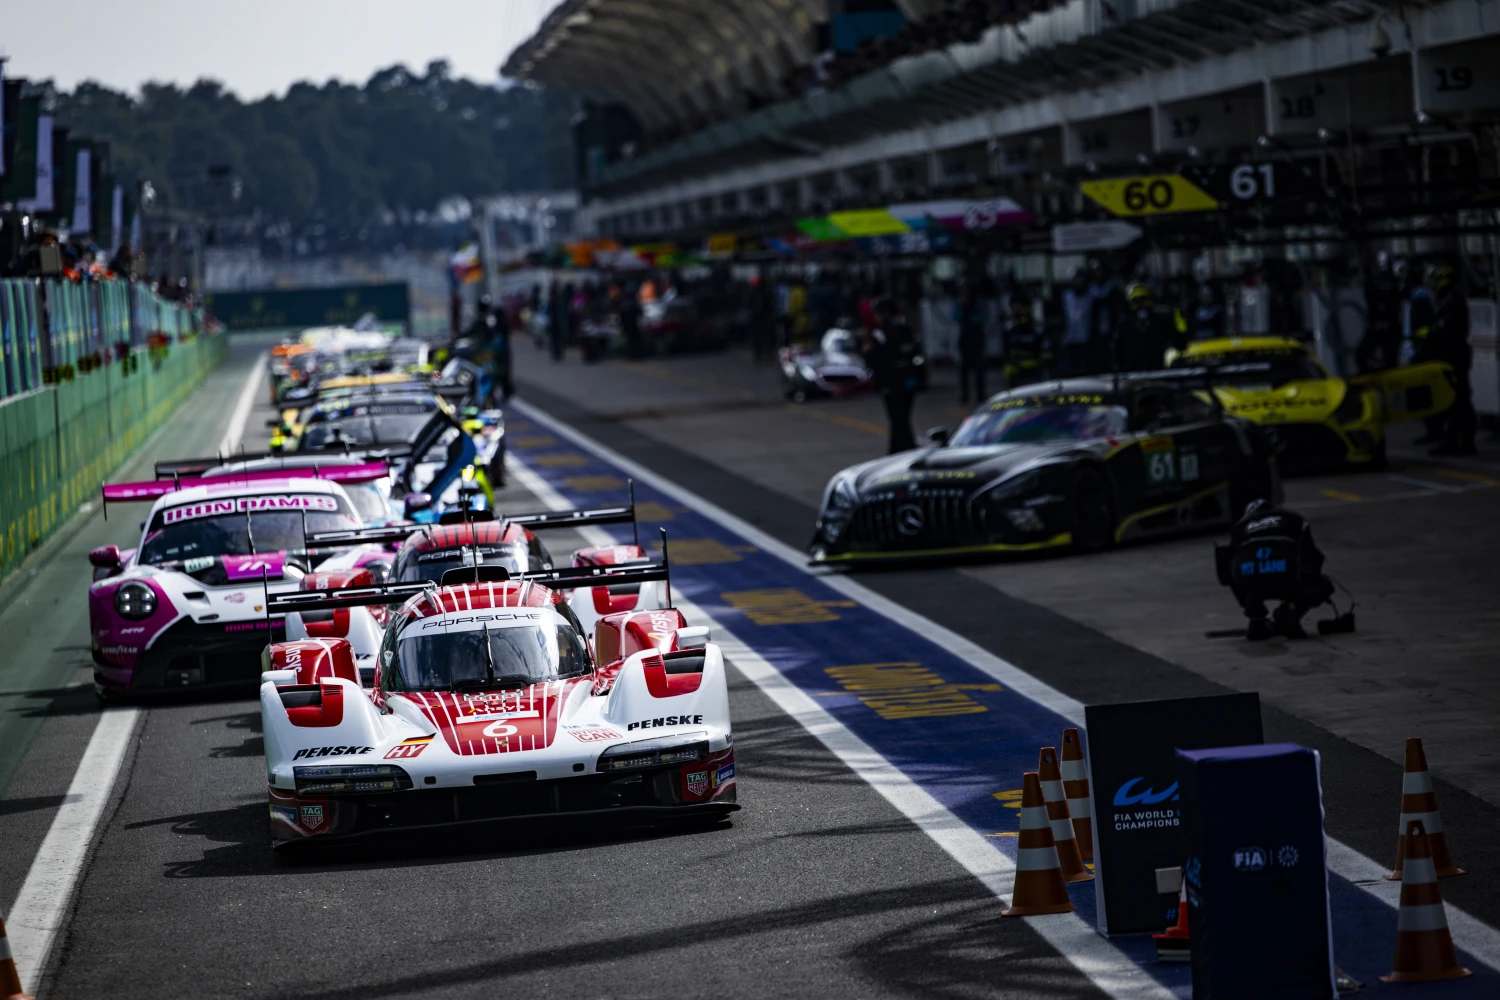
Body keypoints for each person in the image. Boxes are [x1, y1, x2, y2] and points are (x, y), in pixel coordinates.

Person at [1219, 499, 1336, 640]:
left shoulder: (1240, 527)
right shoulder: (1294, 519)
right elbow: (1311, 557)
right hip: (1286, 577)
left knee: (1238, 572)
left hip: (1251, 579)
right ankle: (1290, 612)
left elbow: (1227, 568)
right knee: (1323, 585)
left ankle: (1256, 619)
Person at [1417, 262, 1476, 456]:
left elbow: (1448, 331)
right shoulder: (1444, 300)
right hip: (1448, 356)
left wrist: (1431, 333)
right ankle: (1452, 440)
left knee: (1459, 401)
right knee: (1451, 401)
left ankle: (1463, 442)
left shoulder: (1453, 301)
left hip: (1455, 357)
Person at [864, 298, 921, 454]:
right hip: (906, 380)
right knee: (902, 417)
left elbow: (876, 359)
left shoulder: (881, 333)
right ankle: (903, 447)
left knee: (897, 419)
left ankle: (900, 449)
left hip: (891, 382)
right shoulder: (904, 329)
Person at [1115, 283, 1184, 372]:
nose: (1141, 305)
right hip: (1132, 373)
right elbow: (1117, 349)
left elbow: (1179, 343)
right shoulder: (1124, 324)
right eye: (1137, 301)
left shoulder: (1161, 320)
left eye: (1143, 300)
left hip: (1157, 370)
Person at [1001, 290, 1046, 388]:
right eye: (1014, 306)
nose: (1016, 309)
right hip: (1015, 374)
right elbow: (1006, 350)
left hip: (1033, 374)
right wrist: (1007, 367)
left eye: (1019, 305)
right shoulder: (1009, 328)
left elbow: (1043, 352)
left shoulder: (1036, 328)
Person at [956, 282, 987, 403]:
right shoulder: (960, 304)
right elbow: (955, 316)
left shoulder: (978, 304)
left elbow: (981, 318)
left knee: (979, 369)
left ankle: (980, 394)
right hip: (965, 339)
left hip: (976, 339)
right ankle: (965, 393)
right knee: (963, 369)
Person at [1059, 268, 1094, 375]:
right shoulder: (1066, 296)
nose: (1077, 283)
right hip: (1070, 338)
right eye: (1075, 280)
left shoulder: (1090, 296)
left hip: (1085, 338)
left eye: (1079, 280)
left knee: (1084, 368)